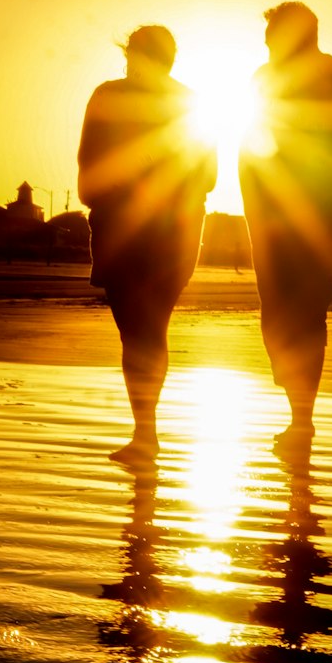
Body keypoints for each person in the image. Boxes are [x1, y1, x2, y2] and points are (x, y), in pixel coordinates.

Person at [239, 3, 332, 458]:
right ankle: (297, 411)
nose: (265, 45)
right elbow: (251, 142)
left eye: (272, 36)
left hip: (321, 225)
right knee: (276, 321)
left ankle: (302, 420)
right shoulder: (263, 80)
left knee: (306, 317)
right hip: (269, 225)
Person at [78, 25, 217, 464]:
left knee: (144, 331)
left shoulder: (119, 97)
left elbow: (207, 176)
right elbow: (88, 172)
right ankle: (145, 433)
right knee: (142, 331)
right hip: (147, 232)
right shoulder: (179, 102)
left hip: (156, 233)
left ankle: (146, 434)